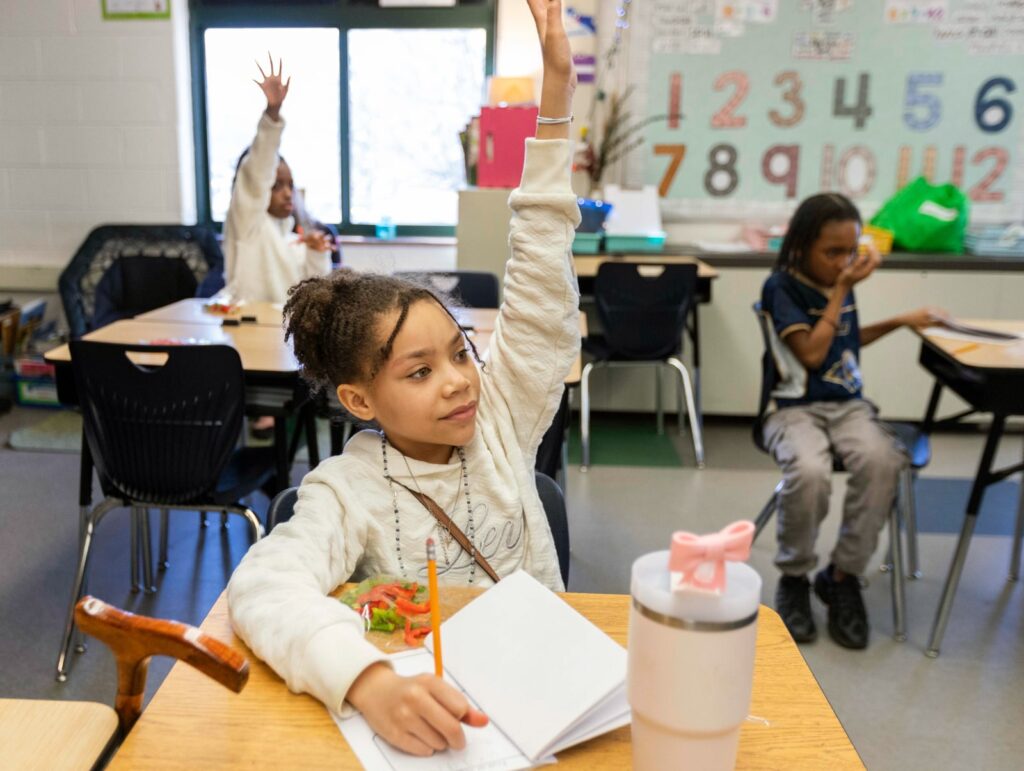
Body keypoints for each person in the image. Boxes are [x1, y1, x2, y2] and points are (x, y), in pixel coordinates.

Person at [227, 0, 578, 757]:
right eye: (419, 371)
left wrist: (555, 110)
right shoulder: (344, 491)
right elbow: (261, 589)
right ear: (359, 400)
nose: (457, 381)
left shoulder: (500, 422)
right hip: (426, 723)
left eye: (460, 353)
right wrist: (366, 678)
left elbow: (542, 281)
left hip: (545, 700)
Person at [760, 192, 945, 650]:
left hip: (847, 406)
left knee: (884, 461)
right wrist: (843, 287)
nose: (844, 261)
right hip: (792, 408)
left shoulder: (838, 282)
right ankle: (796, 576)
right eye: (832, 252)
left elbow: (844, 339)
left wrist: (901, 320)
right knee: (809, 470)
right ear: (802, 247)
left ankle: (841, 577)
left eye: (851, 250)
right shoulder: (780, 287)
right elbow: (811, 352)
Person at [222, 55, 334, 305]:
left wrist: (315, 252)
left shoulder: (290, 237)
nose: (287, 194)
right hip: (248, 332)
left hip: (280, 335)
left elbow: (318, 295)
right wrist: (273, 114)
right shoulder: (248, 224)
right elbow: (258, 170)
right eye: (276, 186)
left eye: (290, 186)